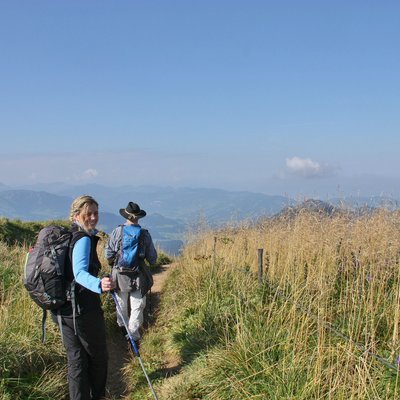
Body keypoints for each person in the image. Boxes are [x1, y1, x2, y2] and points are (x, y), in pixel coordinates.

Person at [51, 195, 115, 400]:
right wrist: (99, 284)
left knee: (76, 360)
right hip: (83, 310)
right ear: (77, 215)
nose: (94, 217)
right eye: (89, 214)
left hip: (62, 310)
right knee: (97, 358)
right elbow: (79, 273)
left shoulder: (67, 236)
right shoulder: (83, 239)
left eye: (96, 213)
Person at [105, 201, 157, 349]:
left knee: (121, 303)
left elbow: (108, 253)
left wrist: (113, 263)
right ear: (138, 217)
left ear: (126, 215)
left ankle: (123, 328)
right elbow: (152, 259)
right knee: (137, 305)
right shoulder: (145, 234)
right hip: (138, 275)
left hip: (119, 274)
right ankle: (133, 336)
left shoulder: (117, 232)